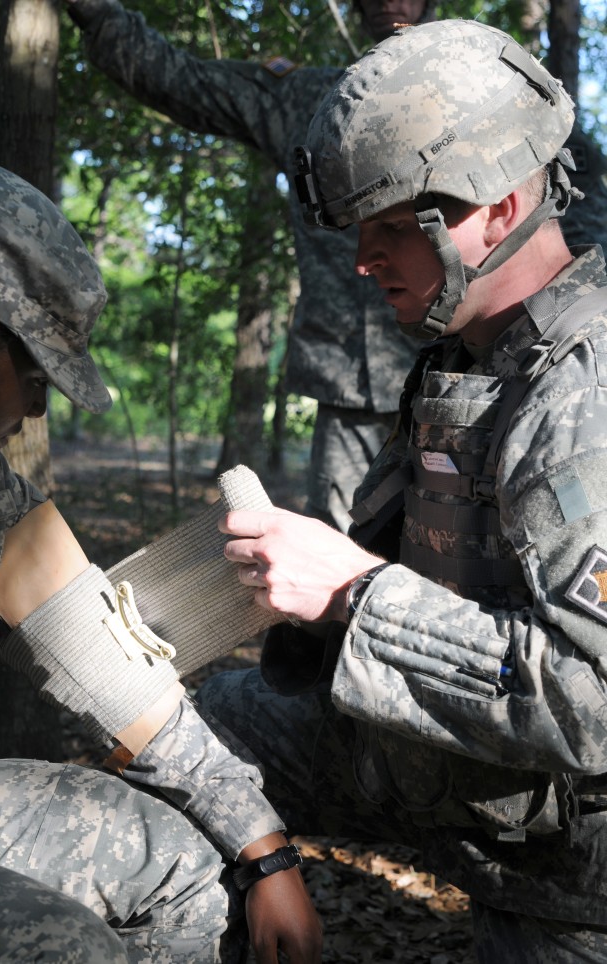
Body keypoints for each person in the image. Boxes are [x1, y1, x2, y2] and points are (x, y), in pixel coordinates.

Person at [196, 19, 607, 961]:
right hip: (454, 779)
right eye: (358, 229)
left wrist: (352, 592)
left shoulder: (584, 392)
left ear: (499, 209)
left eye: (391, 229)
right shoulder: (467, 358)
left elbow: (595, 697)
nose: (363, 260)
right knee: (194, 739)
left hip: (567, 881)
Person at [0, 155, 321, 963]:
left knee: (195, 872)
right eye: (29, 370)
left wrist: (265, 848)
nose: (33, 406)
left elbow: (121, 683)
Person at [63, 0, 428, 533]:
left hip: (467, 380)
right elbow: (184, 81)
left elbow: (574, 227)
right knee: (343, 549)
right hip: (351, 388)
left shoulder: (491, 94)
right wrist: (96, 13)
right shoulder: (314, 99)